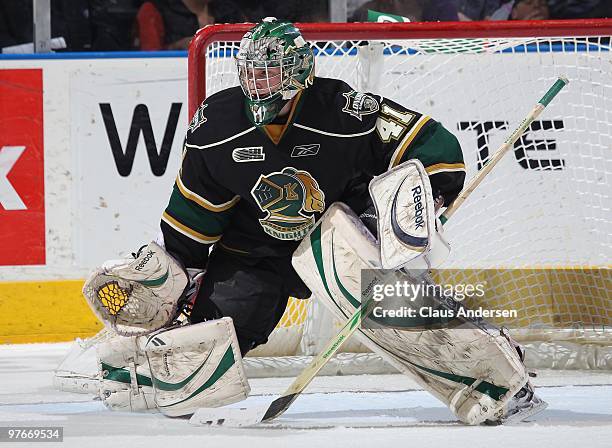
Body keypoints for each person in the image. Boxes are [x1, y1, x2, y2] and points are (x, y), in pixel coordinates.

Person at [85, 17, 544, 424]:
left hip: (339, 237)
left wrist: (423, 199)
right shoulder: (217, 125)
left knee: (398, 317)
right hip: (254, 254)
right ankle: (127, 368)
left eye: (269, 71)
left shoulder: (345, 110)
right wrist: (182, 268)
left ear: (300, 72)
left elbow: (432, 145)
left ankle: (500, 376)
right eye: (251, 72)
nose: (258, 82)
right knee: (201, 351)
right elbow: (194, 213)